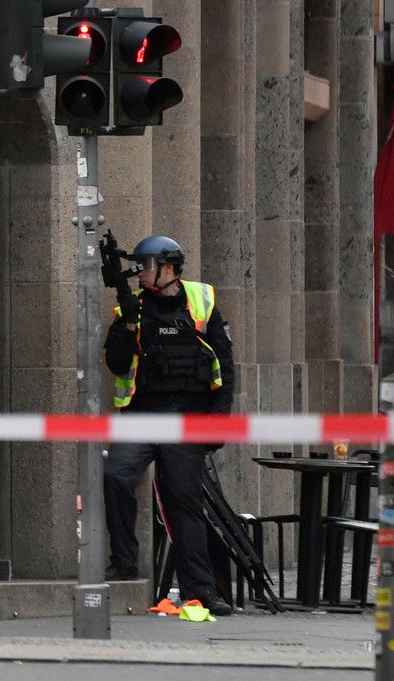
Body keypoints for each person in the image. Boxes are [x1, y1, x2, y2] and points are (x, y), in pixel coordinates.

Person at [102, 235, 235, 617]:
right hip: (143, 415)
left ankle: (202, 591)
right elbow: (116, 364)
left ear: (169, 268)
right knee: (115, 475)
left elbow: (225, 367)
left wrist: (218, 423)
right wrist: (127, 326)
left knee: (183, 500)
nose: (141, 273)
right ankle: (124, 562)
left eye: (147, 266)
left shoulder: (202, 301)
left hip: (188, 418)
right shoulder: (131, 307)